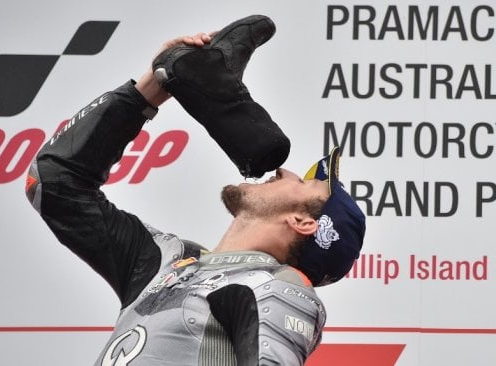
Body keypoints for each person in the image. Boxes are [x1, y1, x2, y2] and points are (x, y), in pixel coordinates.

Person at [25, 15, 365, 366]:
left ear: (303, 222)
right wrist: (154, 88)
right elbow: (53, 182)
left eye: (306, 183)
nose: (285, 170)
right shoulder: (166, 260)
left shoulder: (278, 286)